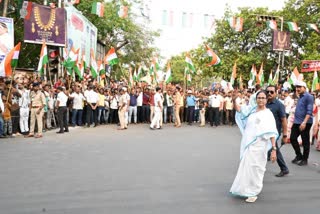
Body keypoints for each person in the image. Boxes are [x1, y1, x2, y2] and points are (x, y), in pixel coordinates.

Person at [230, 90, 278, 203]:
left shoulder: (268, 114)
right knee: (246, 168)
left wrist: (274, 149)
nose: (260, 100)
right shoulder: (251, 110)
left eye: (263, 98)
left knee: (256, 169)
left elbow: (272, 133)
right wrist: (233, 99)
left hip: (260, 146)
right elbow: (239, 110)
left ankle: (254, 192)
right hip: (249, 145)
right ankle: (244, 190)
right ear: (256, 99)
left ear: (266, 100)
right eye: (259, 98)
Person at [266, 85, 290, 177]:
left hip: (274, 133)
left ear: (276, 93)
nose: (269, 94)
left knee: (275, 148)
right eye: (267, 92)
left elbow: (284, 120)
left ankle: (284, 169)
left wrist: (285, 135)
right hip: (264, 131)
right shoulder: (265, 103)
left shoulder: (279, 105)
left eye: (272, 92)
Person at [290, 81, 314, 166]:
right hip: (297, 121)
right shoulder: (299, 96)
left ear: (304, 87)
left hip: (305, 122)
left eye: (299, 87)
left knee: (305, 141)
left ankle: (305, 159)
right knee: (292, 138)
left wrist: (304, 122)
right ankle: (299, 155)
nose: (297, 88)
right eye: (296, 87)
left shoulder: (309, 96)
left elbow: (309, 111)